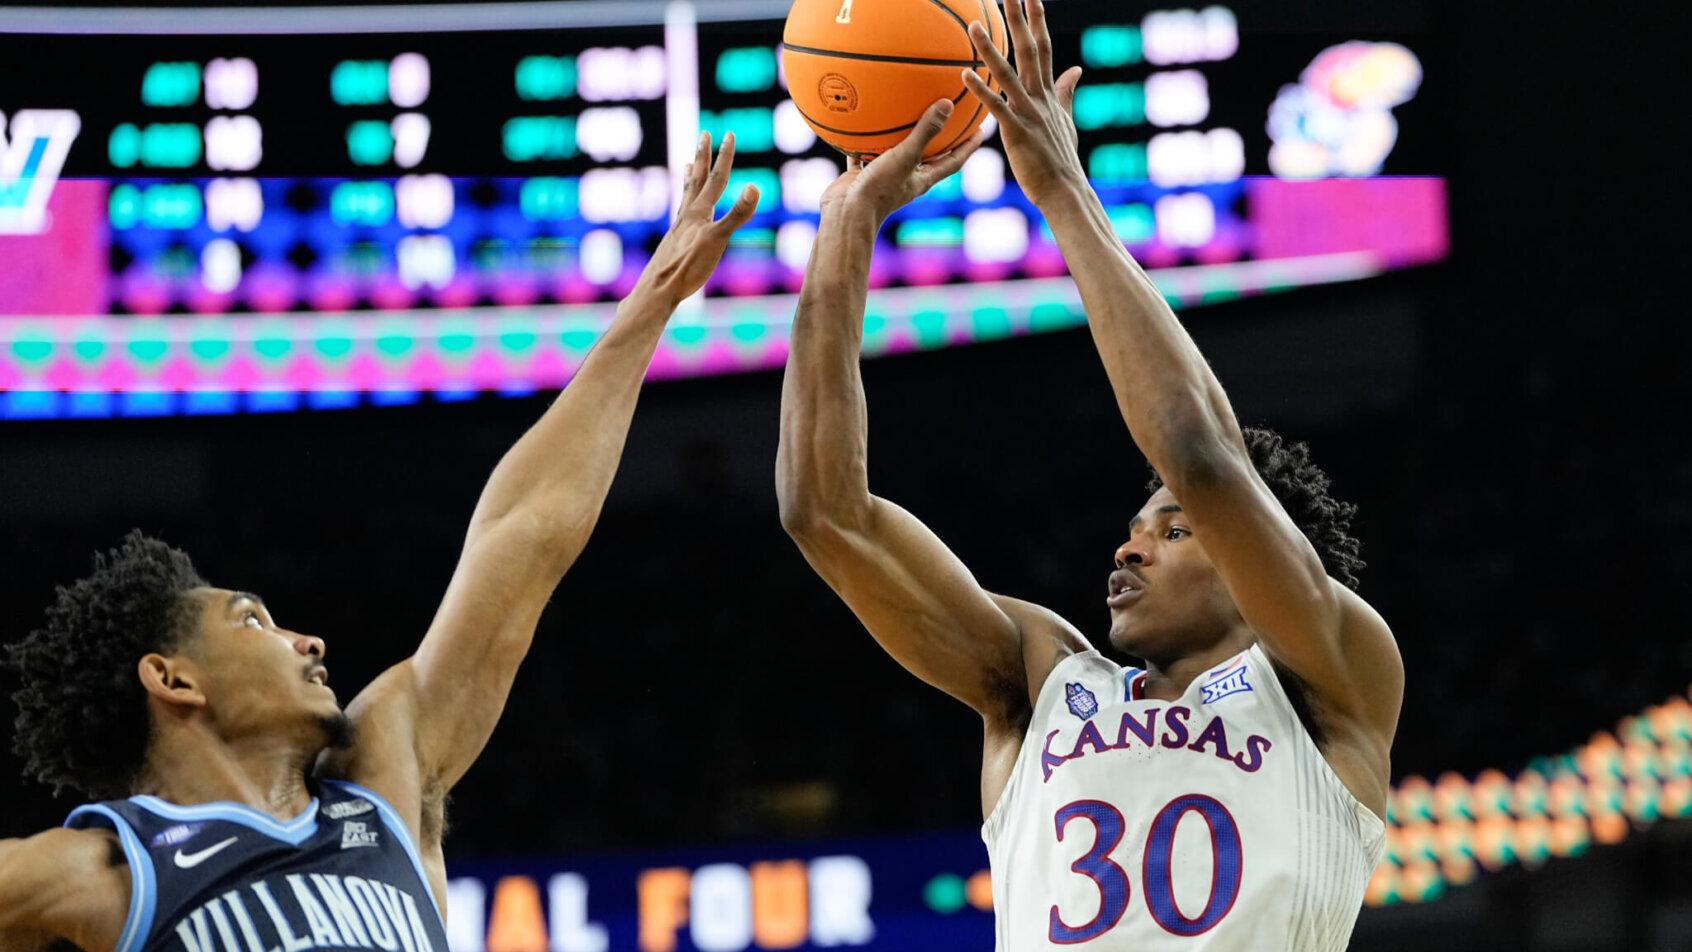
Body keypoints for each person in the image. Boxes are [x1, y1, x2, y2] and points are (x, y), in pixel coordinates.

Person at [0, 133, 759, 952]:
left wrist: (654, 299)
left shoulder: (383, 778)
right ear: (173, 679)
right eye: (252, 622)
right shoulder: (104, 872)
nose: (308, 640)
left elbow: (522, 534)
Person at [774, 1, 1403, 947]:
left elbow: (1200, 457)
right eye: (1141, 525)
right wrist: (844, 234)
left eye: (1172, 529)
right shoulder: (1043, 679)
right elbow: (825, 514)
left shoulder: (1329, 678)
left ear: (1261, 555)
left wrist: (1063, 189)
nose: (1129, 546)